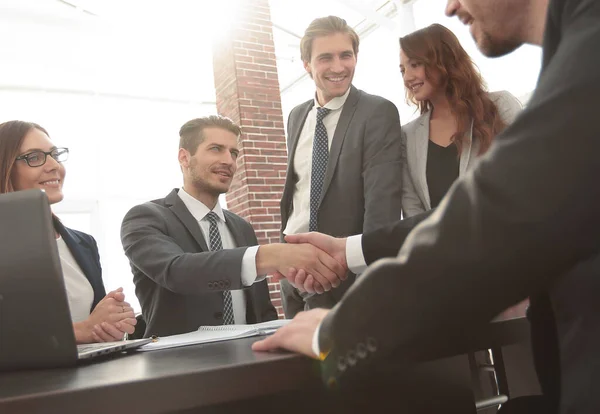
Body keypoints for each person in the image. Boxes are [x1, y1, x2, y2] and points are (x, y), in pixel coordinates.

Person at [254, 0, 600, 412]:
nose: (450, 6)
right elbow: (444, 217)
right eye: (402, 68)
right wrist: (349, 249)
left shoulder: (586, 53)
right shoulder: (576, 49)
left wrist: (339, 330)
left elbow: (497, 216)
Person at [121, 115, 346, 338]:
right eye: (216, 149)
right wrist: (270, 255)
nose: (229, 161)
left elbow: (262, 312)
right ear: (184, 157)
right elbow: (176, 271)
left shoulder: (242, 228)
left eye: (234, 153)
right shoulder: (145, 218)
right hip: (181, 368)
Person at [279, 15, 403, 317]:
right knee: (295, 365)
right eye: (325, 58)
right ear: (306, 64)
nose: (338, 67)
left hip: (344, 280)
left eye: (345, 55)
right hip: (294, 276)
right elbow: (299, 193)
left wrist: (370, 284)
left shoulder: (377, 112)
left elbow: (381, 207)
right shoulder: (297, 116)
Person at [0, 120, 136, 344]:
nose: (54, 165)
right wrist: (83, 330)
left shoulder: (84, 243)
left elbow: (96, 327)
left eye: (54, 154)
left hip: (88, 375)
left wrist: (112, 324)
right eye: (34, 157)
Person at [400, 23, 522, 217]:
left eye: (415, 65)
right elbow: (413, 211)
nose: (407, 77)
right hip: (442, 246)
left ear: (442, 60)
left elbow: (527, 177)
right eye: (402, 69)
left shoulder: (500, 106)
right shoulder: (406, 136)